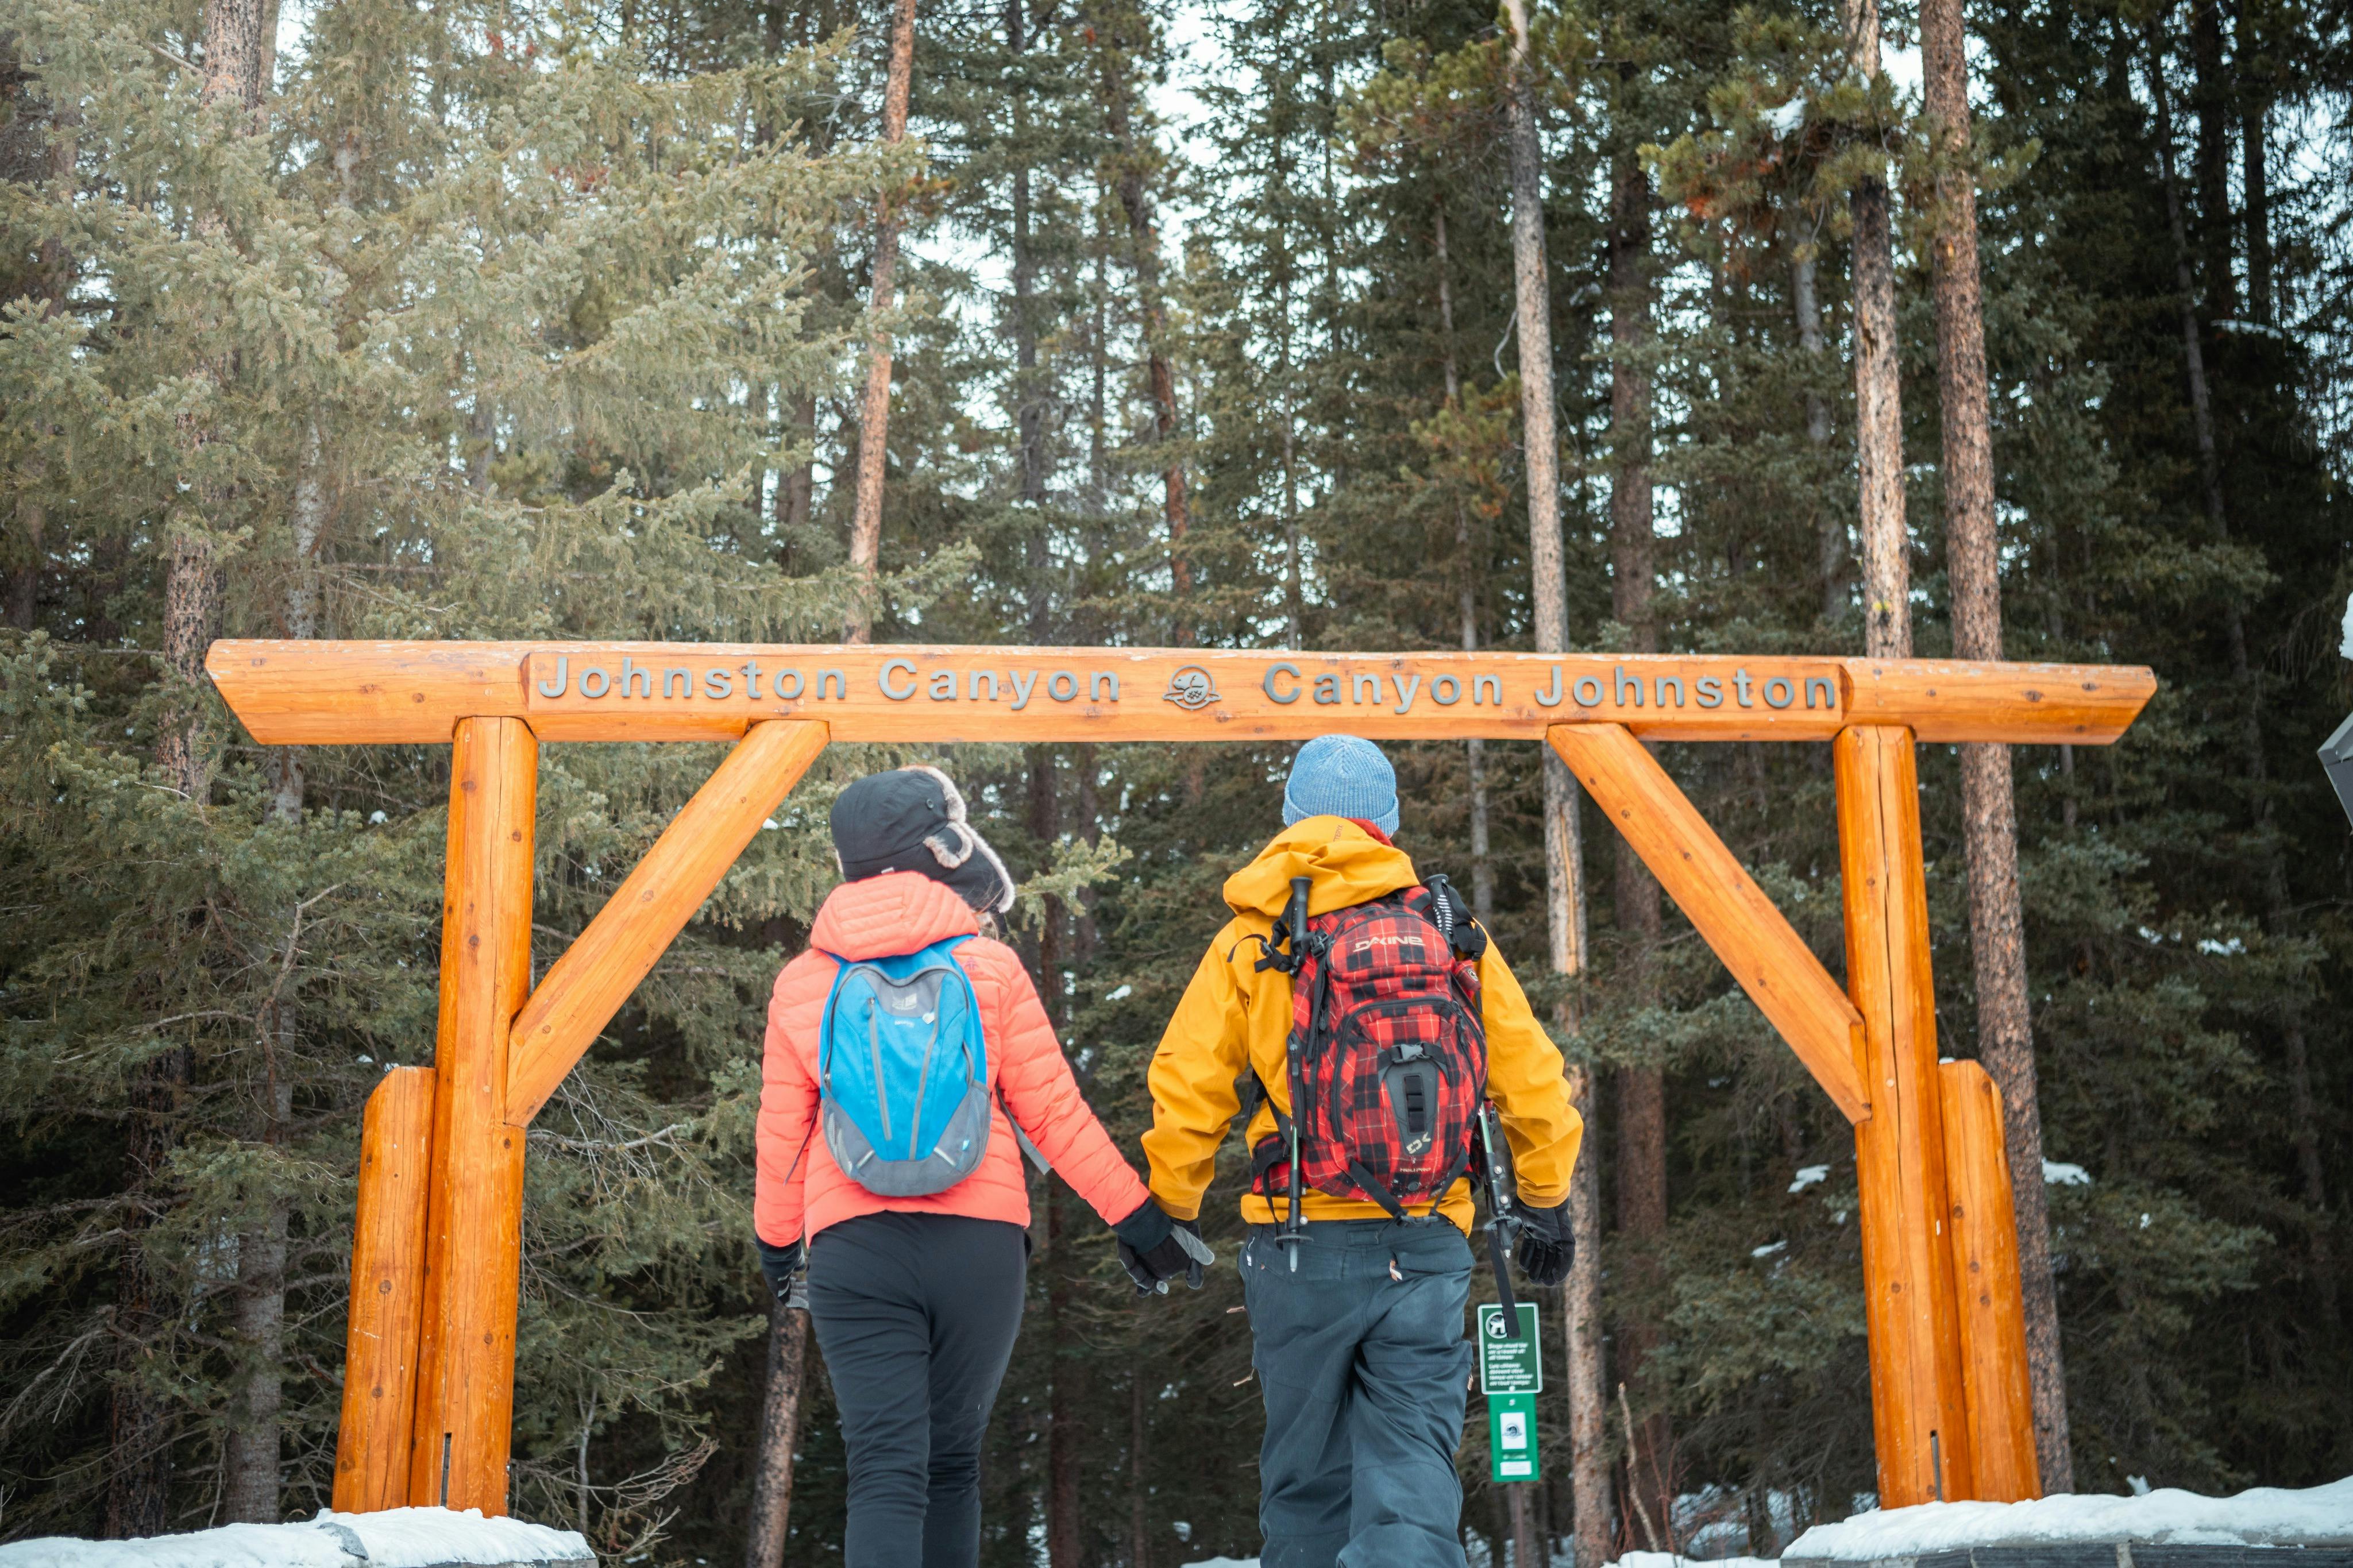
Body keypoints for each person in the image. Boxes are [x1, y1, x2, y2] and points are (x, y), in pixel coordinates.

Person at [1139, 735, 1583, 1568]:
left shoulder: (1252, 938)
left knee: (1308, 1484)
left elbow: (1188, 1084)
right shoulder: (1449, 929)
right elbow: (1532, 1077)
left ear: (1289, 820)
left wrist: (1169, 1209)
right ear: (1388, 824)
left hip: (1297, 1241)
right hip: (1427, 1239)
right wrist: (1546, 1202)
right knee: (1412, 1466)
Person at [755, 765, 1203, 1568]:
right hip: (981, 1243)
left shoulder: (801, 984)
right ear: (932, 852)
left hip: (856, 1247)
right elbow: (1056, 1113)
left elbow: (782, 1139)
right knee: (952, 1462)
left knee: (884, 1470)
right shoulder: (988, 967)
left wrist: (779, 1246)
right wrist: (1140, 1223)